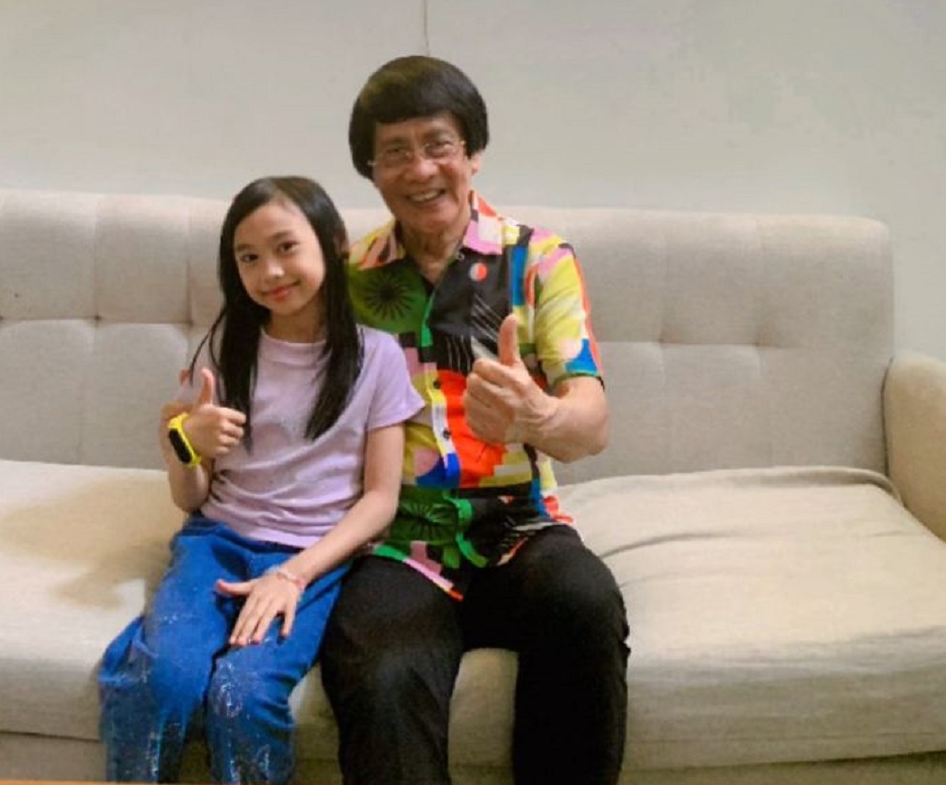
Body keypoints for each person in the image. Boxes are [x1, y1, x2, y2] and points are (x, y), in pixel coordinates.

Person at [319, 56, 630, 785]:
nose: (421, 168)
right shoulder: (350, 280)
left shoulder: (538, 259)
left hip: (521, 525)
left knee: (585, 604)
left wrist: (537, 414)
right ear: (372, 171)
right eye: (395, 151)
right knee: (380, 671)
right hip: (401, 541)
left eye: (438, 144)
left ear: (473, 152)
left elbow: (591, 423)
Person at [97, 176, 423, 784]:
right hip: (215, 543)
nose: (269, 271)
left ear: (334, 242)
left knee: (241, 695)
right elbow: (190, 498)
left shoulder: (378, 357)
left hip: (312, 559)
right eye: (248, 258)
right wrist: (186, 444)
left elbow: (381, 500)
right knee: (161, 679)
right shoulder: (226, 348)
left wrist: (293, 575)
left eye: (285, 247)